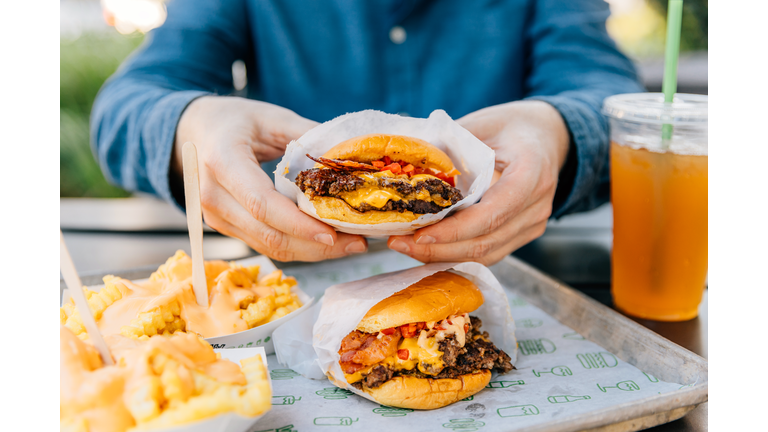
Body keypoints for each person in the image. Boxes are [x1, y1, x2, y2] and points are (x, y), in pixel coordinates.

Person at [91, 0, 644, 265]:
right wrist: (193, 126)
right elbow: (125, 106)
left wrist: (558, 130)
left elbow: (608, 93)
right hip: (288, 276)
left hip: (515, 272)